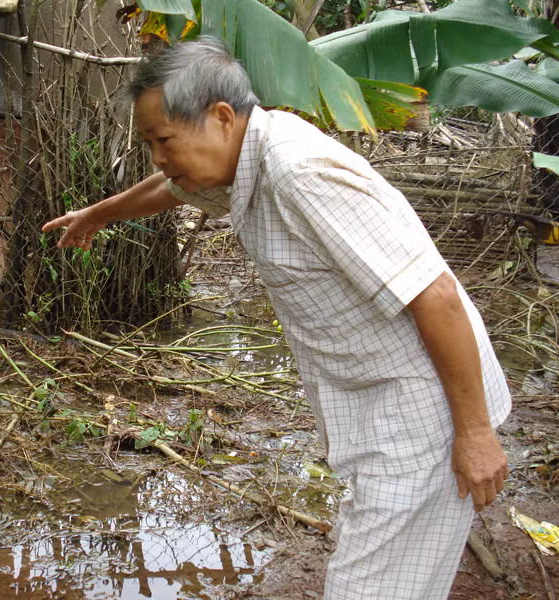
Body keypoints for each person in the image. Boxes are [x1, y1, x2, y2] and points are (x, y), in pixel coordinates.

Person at [42, 37, 512, 599]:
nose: (158, 158)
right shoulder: (244, 160)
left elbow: (434, 293)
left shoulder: (301, 173)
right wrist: (98, 215)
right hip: (380, 409)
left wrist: (476, 434)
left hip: (423, 418)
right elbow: (169, 186)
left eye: (163, 139)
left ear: (220, 117)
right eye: (150, 143)